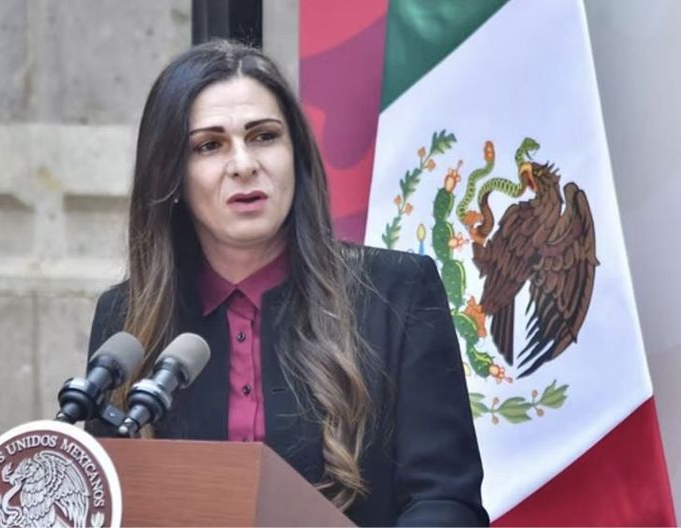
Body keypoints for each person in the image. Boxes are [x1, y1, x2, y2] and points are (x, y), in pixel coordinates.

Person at [86, 40, 488, 526]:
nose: (243, 164)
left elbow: (445, 500)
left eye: (263, 136)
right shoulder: (126, 319)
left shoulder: (398, 292)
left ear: (295, 154)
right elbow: (106, 499)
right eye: (209, 145)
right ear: (170, 175)